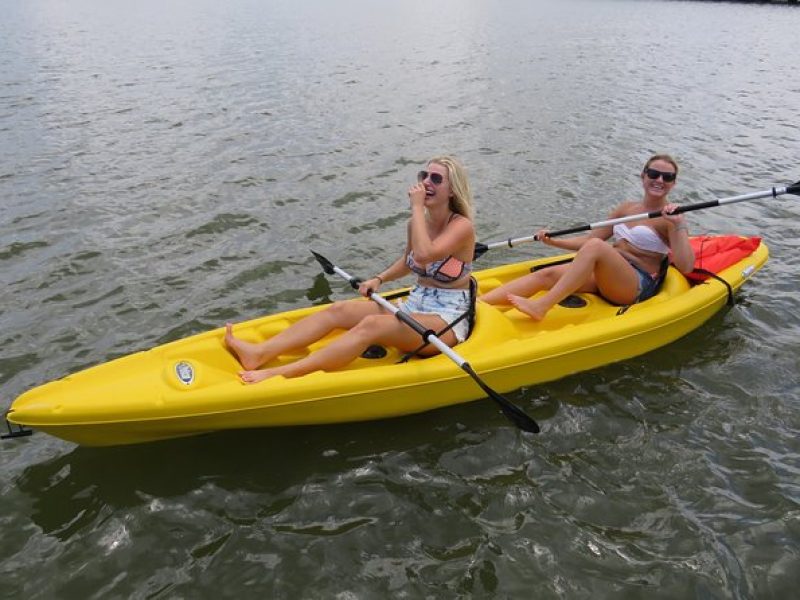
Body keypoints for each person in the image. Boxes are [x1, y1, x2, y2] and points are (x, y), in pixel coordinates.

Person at [225, 156, 476, 383]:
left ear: (452, 189)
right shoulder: (417, 224)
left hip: (447, 318)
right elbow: (409, 261)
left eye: (436, 178)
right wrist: (379, 279)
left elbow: (424, 254)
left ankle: (279, 374)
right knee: (339, 309)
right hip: (415, 303)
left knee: (371, 325)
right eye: (423, 176)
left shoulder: (461, 227)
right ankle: (259, 353)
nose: (426, 182)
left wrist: (416, 208)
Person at [480, 154, 695, 320]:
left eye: (667, 177)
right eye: (653, 174)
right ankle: (476, 305)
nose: (659, 180)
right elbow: (589, 241)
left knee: (597, 247)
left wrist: (679, 225)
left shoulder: (670, 218)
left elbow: (686, 265)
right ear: (643, 176)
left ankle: (541, 306)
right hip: (607, 274)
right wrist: (553, 241)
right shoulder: (626, 208)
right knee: (548, 275)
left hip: (634, 285)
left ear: (673, 184)